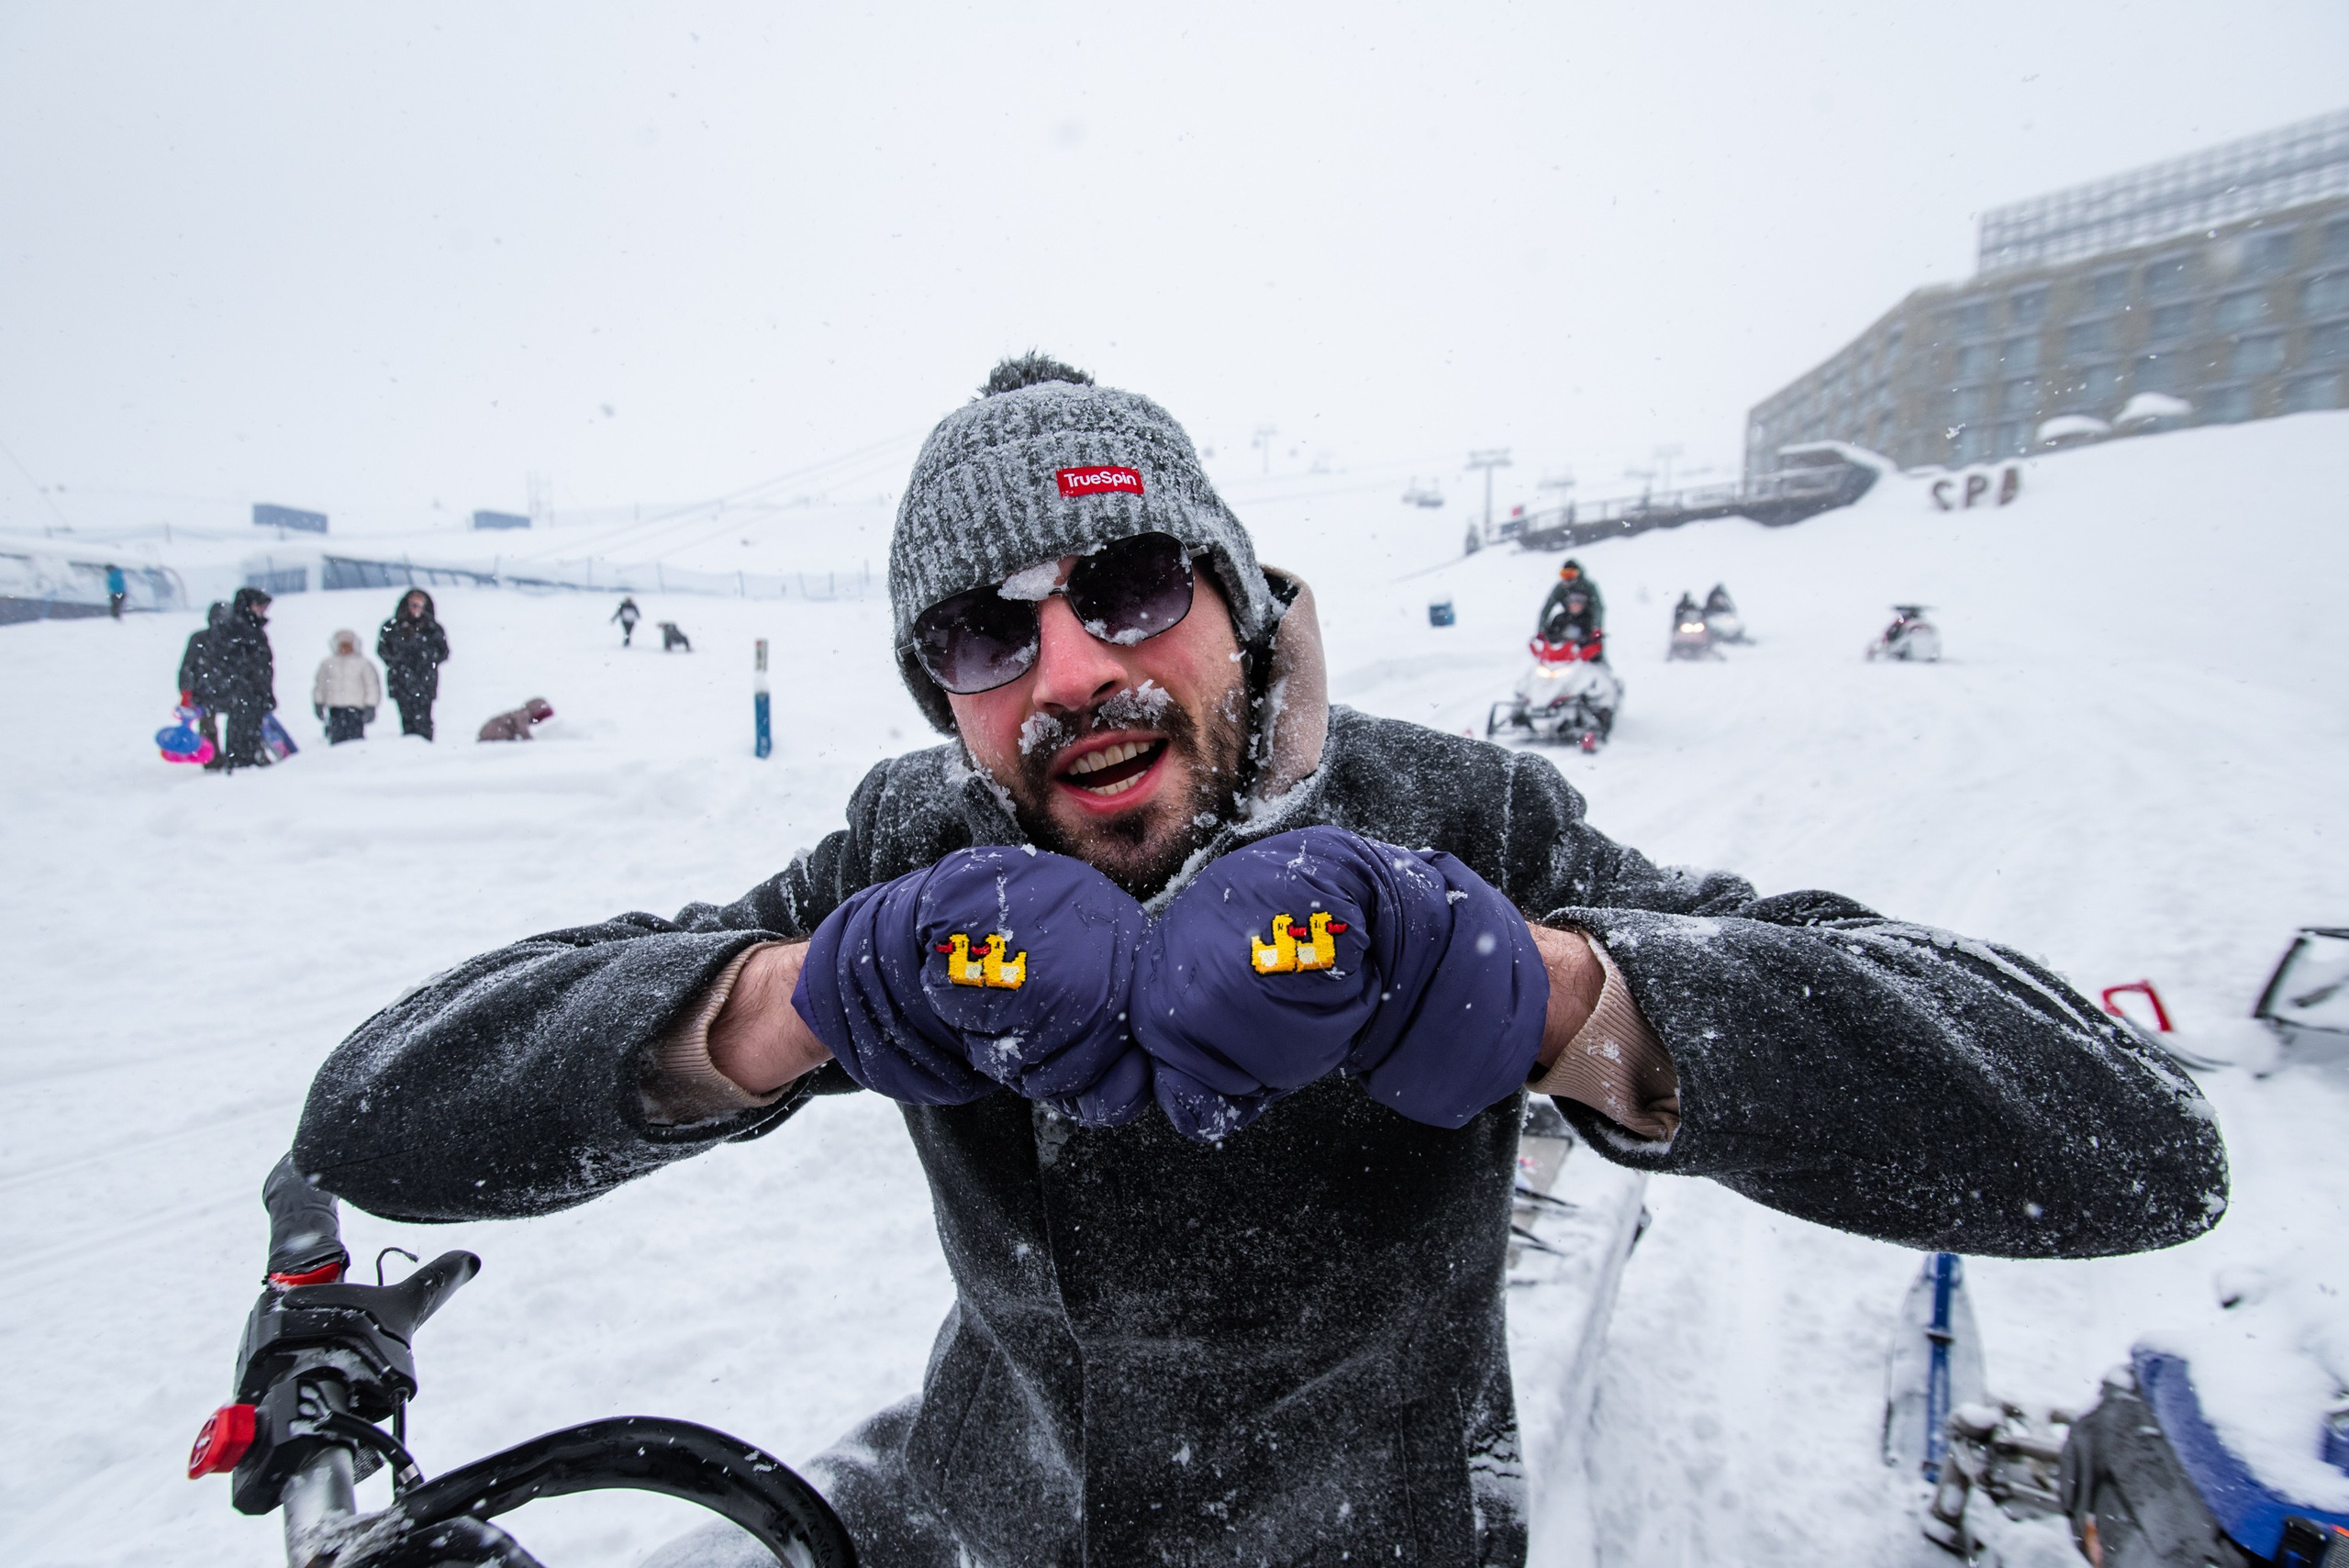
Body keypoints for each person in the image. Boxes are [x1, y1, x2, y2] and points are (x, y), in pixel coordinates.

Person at [292, 356, 2225, 1568]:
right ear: (943, 695)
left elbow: (2132, 1141)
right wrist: (794, 999)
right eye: (984, 634)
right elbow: (380, 1109)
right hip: (982, 1518)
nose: (1071, 669)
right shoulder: (912, 856)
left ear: (1235, 598)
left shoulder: (1462, 823)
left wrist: (1557, 994)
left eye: (1129, 585)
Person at [212, 587, 277, 771]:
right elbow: (229, 664)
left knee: (251, 733)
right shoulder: (234, 630)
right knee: (240, 734)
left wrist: (265, 693)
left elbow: (264, 667)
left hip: (254, 694)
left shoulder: (255, 631)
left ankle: (246, 763)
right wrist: (243, 685)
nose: (263, 610)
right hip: (241, 694)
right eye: (259, 605)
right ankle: (240, 766)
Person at [377, 589, 450, 740]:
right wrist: (398, 661)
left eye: (420, 605)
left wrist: (426, 660)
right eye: (413, 605)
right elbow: (383, 650)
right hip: (400, 680)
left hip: (425, 680)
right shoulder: (393, 627)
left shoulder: (433, 628)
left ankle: (425, 745)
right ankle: (409, 744)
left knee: (424, 718)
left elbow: (443, 652)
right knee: (406, 718)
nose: (417, 609)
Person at [178, 601, 229, 767]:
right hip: (225, 688)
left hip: (204, 690)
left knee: (207, 725)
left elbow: (187, 667)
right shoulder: (233, 639)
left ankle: (212, 759)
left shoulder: (199, 638)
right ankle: (230, 755)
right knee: (233, 723)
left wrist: (186, 690)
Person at [311, 629, 383, 744]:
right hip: (335, 709)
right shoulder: (328, 664)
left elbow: (372, 686)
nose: (345, 649)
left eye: (348, 645)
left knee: (355, 740)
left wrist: (370, 705)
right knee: (337, 739)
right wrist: (318, 703)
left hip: (356, 709)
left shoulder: (363, 664)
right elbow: (320, 685)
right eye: (342, 646)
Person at [1535, 557, 1604, 641]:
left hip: (1586, 617)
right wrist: (1541, 629)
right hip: (1568, 616)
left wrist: (1597, 627)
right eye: (1565, 574)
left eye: (1571, 574)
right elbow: (1548, 606)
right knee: (1557, 623)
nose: (1568, 578)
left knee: (1591, 636)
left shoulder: (1588, 586)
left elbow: (1598, 607)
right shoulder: (1561, 588)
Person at [1542, 584, 1605, 661]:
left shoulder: (1588, 620)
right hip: (1558, 657)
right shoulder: (1559, 619)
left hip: (1581, 659)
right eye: (1572, 601)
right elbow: (1550, 636)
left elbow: (1591, 640)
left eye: (1579, 601)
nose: (1575, 604)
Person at [476, 696, 554, 741]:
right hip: (493, 732)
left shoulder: (519, 713)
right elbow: (523, 731)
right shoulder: (523, 714)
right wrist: (531, 741)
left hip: (490, 731)